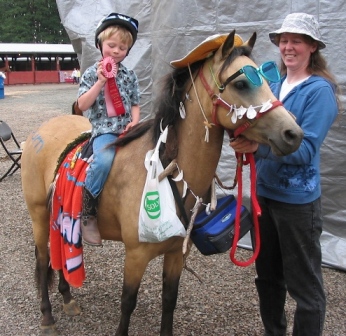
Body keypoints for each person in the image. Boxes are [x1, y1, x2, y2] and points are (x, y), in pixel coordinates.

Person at [230, 13, 339, 336]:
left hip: (297, 204)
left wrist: (256, 149)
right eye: (284, 41)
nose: (288, 47)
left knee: (305, 287)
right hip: (265, 197)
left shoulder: (320, 92)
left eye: (297, 41)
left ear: (312, 47)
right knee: (268, 279)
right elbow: (253, 124)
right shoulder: (273, 83)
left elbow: (305, 151)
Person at [76, 12, 140, 246]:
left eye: (122, 48)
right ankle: (88, 212)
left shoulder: (129, 75)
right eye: (111, 45)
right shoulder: (92, 73)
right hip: (104, 131)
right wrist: (101, 82)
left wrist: (135, 120)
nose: (116, 51)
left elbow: (135, 102)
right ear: (100, 44)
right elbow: (82, 105)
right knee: (103, 162)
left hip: (128, 129)